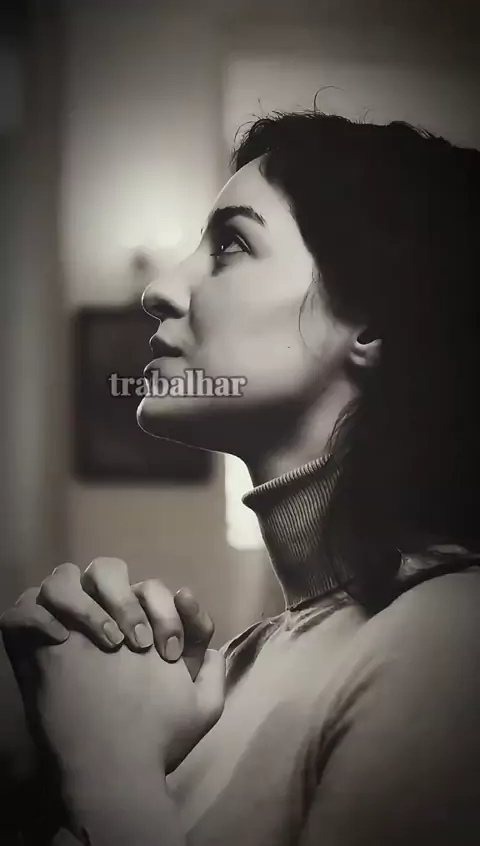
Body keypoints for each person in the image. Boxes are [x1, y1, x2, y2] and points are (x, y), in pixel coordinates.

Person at [2, 109, 480, 846]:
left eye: (230, 245)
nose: (159, 290)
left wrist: (107, 767)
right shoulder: (241, 665)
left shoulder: (452, 645)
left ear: (372, 324)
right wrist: (70, 751)